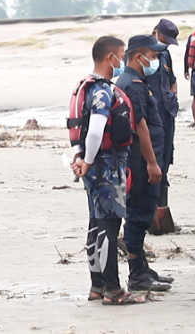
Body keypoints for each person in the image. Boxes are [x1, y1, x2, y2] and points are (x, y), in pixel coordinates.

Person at [70, 36, 144, 305]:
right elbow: (96, 131)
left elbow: (85, 131)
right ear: (110, 57)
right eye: (121, 56)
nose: (123, 61)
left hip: (94, 166)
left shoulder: (89, 89)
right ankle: (113, 289)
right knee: (109, 227)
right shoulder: (102, 92)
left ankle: (97, 286)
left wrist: (81, 159)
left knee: (96, 225)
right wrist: (88, 160)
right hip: (106, 166)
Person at [116, 35, 172, 292]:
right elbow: (140, 127)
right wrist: (152, 163)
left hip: (144, 158)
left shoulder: (135, 81)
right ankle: (136, 274)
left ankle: (142, 268)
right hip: (140, 161)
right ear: (139, 57)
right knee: (138, 214)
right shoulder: (133, 84)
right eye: (153, 55)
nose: (157, 59)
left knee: (141, 211)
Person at [147, 19, 180, 232]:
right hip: (150, 122)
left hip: (167, 117)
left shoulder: (165, 55)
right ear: (155, 32)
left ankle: (163, 214)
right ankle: (148, 217)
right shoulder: (141, 55)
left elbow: (173, 80)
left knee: (166, 164)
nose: (166, 45)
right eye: (164, 39)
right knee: (152, 167)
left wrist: (172, 97)